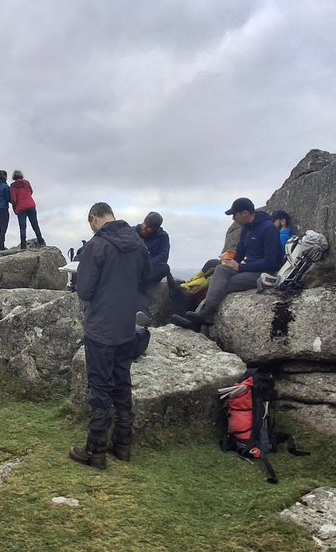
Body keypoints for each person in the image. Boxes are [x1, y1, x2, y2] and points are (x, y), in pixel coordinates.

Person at [69, 202, 151, 470]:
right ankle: (123, 445)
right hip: (127, 327)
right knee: (122, 384)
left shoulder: (97, 245)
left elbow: (85, 290)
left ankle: (96, 451)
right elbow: (145, 278)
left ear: (94, 219)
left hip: (101, 328)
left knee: (100, 390)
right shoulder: (138, 243)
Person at [173, 197, 281, 329]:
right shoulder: (247, 228)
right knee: (220, 270)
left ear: (245, 213)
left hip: (263, 273)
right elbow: (240, 252)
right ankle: (204, 315)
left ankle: (200, 319)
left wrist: (240, 266)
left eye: (234, 215)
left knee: (223, 284)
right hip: (247, 268)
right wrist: (230, 262)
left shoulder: (268, 229)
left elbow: (272, 262)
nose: (233, 219)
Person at [9, 169, 45, 250]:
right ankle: (41, 241)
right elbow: (31, 191)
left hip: (20, 208)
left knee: (22, 228)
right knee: (35, 225)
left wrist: (15, 207)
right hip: (31, 205)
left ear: (14, 177)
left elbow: (13, 200)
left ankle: (23, 246)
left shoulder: (12, 186)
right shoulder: (26, 182)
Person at [136, 211, 171, 283]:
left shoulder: (162, 237)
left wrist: (146, 264)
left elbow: (163, 256)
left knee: (165, 268)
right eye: (144, 224)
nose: (144, 228)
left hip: (147, 269)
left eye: (148, 228)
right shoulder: (132, 232)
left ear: (156, 230)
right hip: (132, 265)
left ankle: (140, 282)